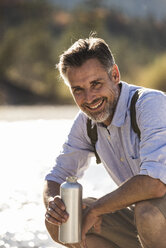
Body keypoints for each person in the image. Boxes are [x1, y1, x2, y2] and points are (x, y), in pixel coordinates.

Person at [43, 36, 166, 248]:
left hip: (154, 216)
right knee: (65, 221)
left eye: (96, 84)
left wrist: (98, 208)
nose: (89, 98)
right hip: (142, 220)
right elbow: (56, 177)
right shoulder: (85, 122)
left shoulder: (150, 104)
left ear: (115, 75)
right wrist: (53, 205)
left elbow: (154, 184)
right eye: (78, 89)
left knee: (147, 213)